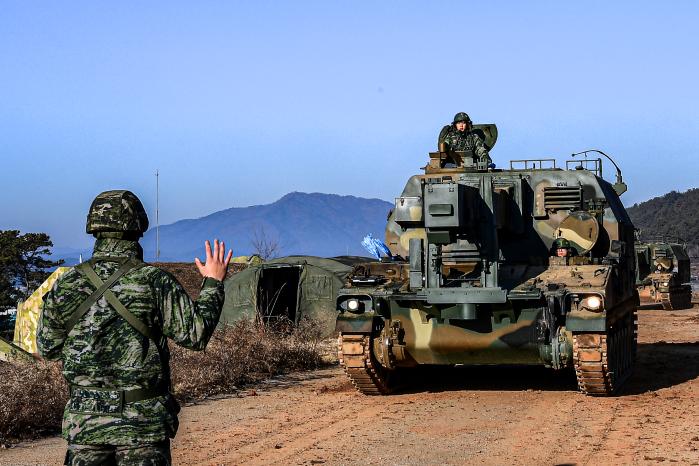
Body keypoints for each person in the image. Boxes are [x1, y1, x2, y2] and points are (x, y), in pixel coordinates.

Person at [37, 190, 233, 466]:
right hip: (143, 426)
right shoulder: (155, 282)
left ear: (93, 228)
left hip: (86, 426)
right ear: (138, 228)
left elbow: (47, 347)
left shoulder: (66, 285)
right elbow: (195, 335)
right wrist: (213, 283)